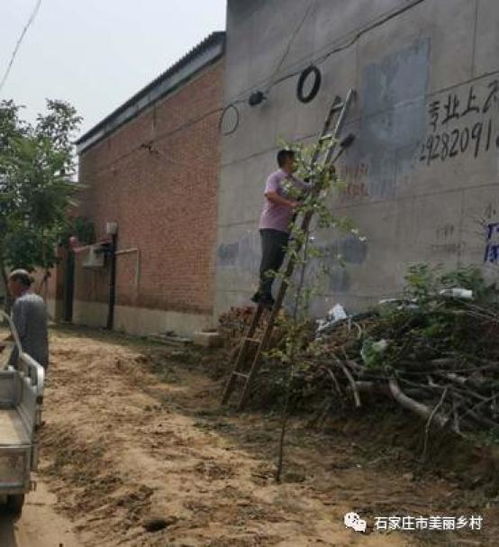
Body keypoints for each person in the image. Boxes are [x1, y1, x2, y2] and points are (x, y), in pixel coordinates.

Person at [252, 149, 310, 307]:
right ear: (287, 160)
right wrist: (291, 203)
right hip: (270, 225)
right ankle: (263, 293)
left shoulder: (293, 181)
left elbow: (309, 187)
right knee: (269, 259)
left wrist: (326, 176)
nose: (297, 162)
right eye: (294, 159)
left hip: (284, 229)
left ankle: (262, 294)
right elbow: (270, 194)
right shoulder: (275, 176)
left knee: (277, 262)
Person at [0, 270, 49, 370]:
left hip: (25, 357)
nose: (9, 287)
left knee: (8, 380)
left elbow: (18, 333)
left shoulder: (21, 302)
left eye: (10, 283)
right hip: (42, 355)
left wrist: (2, 345)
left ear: (18, 282)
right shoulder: (39, 300)